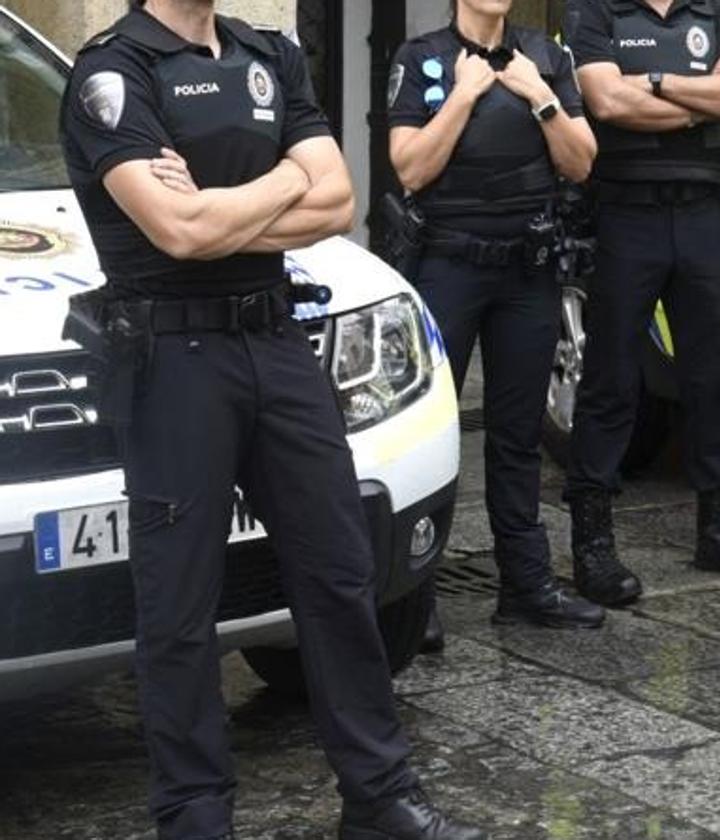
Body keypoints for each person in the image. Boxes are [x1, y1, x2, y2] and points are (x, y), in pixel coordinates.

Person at [59, 2, 485, 838]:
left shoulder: (269, 54)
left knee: (338, 573)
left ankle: (379, 796)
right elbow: (176, 232)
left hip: (277, 340)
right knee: (179, 605)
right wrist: (283, 181)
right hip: (173, 361)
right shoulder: (113, 71)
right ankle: (194, 815)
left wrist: (239, 200)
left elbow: (337, 202)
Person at [387, 0, 603, 635]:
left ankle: (526, 583)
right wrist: (462, 96)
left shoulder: (546, 57)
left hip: (526, 272)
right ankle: (414, 597)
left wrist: (541, 98)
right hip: (448, 266)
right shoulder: (420, 57)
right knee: (428, 436)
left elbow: (582, 161)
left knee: (516, 435)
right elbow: (411, 168)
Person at [560, 0, 720, 607]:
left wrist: (655, 84)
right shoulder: (595, 11)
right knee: (611, 383)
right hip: (627, 213)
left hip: (703, 211)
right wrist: (702, 93)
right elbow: (605, 101)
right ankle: (593, 543)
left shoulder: (712, 9)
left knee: (714, 375)